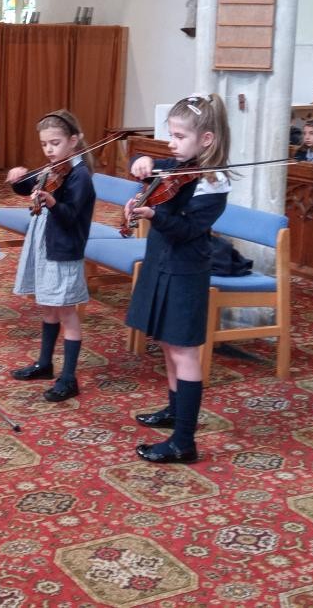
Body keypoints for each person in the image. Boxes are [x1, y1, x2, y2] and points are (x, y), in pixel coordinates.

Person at [125, 93, 231, 464]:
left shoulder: (213, 183)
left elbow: (187, 230)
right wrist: (141, 161)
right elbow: (146, 167)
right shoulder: (177, 166)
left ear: (206, 140)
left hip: (186, 270)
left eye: (179, 136)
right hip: (161, 262)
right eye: (170, 134)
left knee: (184, 350)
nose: (171, 143)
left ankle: (184, 441)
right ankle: (175, 411)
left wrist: (154, 215)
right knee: (169, 344)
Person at [6, 110, 97, 402]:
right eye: (44, 144)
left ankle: (69, 378)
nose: (48, 150)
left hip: (64, 250)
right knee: (47, 306)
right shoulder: (54, 169)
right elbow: (27, 186)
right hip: (45, 243)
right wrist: (17, 177)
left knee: (67, 312)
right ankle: (44, 364)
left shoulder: (80, 176)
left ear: (73, 141)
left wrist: (53, 202)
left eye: (55, 143)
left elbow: (71, 216)